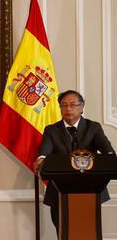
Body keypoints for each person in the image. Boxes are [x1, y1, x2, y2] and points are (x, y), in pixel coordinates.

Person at [33, 90, 115, 236]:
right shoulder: (52, 130)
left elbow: (109, 154)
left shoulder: (93, 127)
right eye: (63, 105)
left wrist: (108, 159)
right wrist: (40, 161)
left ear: (82, 107)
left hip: (91, 190)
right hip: (59, 191)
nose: (68, 109)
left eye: (72, 105)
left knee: (88, 231)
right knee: (63, 231)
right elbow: (43, 155)